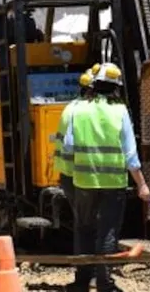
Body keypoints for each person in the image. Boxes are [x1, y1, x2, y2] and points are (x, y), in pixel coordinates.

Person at [62, 62, 150, 292]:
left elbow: (69, 147)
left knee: (84, 229)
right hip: (113, 184)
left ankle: (82, 281)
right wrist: (142, 185)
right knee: (107, 233)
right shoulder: (120, 111)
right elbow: (131, 155)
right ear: (115, 88)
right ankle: (104, 283)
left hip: (83, 181)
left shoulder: (78, 110)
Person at [53, 67, 95, 210]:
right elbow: (70, 145)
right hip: (83, 176)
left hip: (68, 175)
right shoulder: (87, 110)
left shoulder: (71, 107)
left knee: (83, 224)